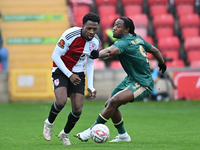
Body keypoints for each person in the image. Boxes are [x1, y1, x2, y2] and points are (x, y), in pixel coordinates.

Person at [75, 16, 167, 142]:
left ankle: (90, 131)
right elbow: (155, 50)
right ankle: (123, 135)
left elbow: (109, 51)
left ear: (126, 29)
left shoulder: (123, 42)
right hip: (131, 79)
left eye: (118, 26)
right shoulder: (137, 38)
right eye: (114, 25)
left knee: (114, 101)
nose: (114, 28)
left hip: (143, 83)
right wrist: (162, 63)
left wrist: (96, 54)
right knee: (110, 104)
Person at [43, 12, 101, 145]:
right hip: (61, 70)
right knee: (61, 101)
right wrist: (69, 75)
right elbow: (55, 56)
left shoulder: (95, 41)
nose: (91, 32)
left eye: (94, 29)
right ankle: (49, 123)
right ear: (83, 26)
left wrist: (91, 85)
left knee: (78, 109)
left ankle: (65, 134)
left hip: (78, 73)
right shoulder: (70, 34)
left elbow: (90, 63)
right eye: (89, 28)